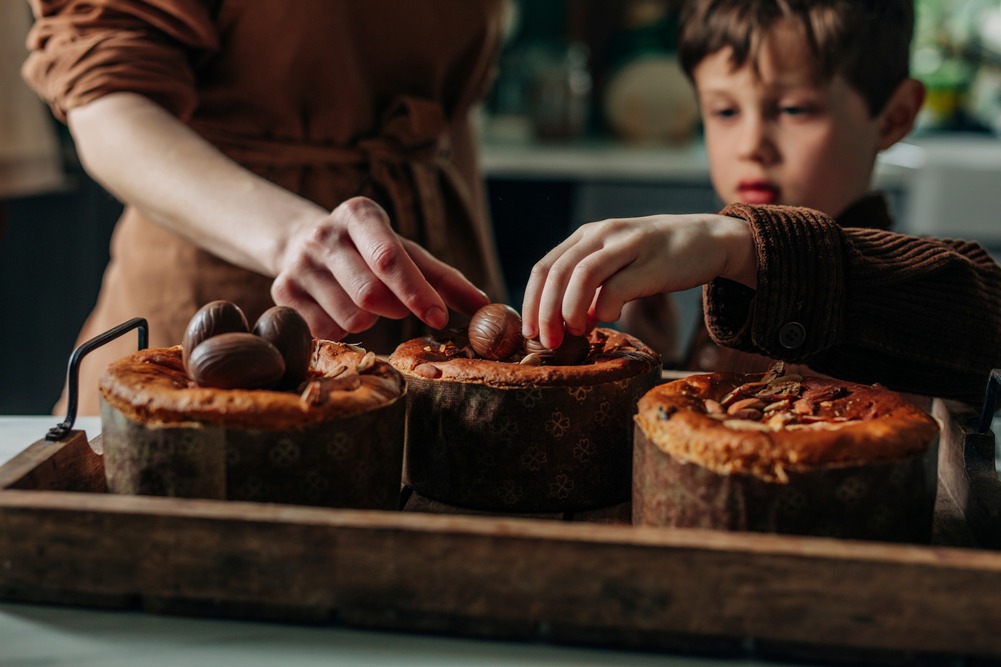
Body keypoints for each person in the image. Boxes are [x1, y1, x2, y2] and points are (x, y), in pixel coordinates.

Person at [22, 1, 512, 415]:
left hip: (430, 317)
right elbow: (105, 102)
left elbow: (444, 121)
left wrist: (486, 288)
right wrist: (291, 234)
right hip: (220, 296)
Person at [521, 0, 1001, 407]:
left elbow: (982, 310)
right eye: (725, 111)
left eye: (794, 109)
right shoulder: (727, 282)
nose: (751, 144)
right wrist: (663, 357)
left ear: (894, 117)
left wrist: (746, 244)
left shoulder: (904, 288)